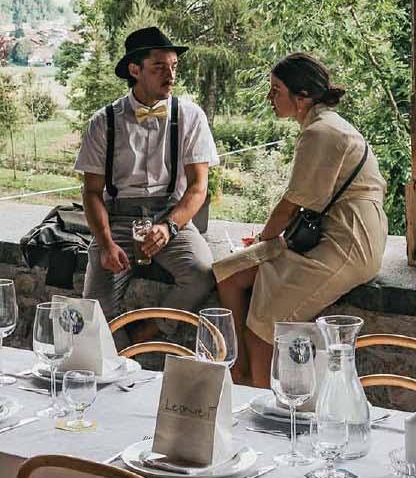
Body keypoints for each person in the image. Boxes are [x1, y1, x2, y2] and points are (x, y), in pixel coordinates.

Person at [213, 53, 386, 386]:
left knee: (263, 325)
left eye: (276, 90)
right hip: (331, 233)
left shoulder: (322, 132)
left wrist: (265, 239)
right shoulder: (322, 127)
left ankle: (258, 396)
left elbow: (291, 204)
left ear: (302, 96)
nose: (270, 98)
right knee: (228, 273)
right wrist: (265, 241)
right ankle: (238, 372)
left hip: (347, 241)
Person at [74, 26, 220, 325]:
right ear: (134, 69)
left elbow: (197, 187)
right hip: (117, 220)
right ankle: (117, 359)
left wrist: (169, 226)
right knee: (94, 309)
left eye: (173, 67)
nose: (171, 75)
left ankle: (150, 334)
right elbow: (91, 192)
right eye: (159, 67)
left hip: (171, 215)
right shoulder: (104, 122)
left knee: (202, 274)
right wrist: (104, 243)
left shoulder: (191, 116)